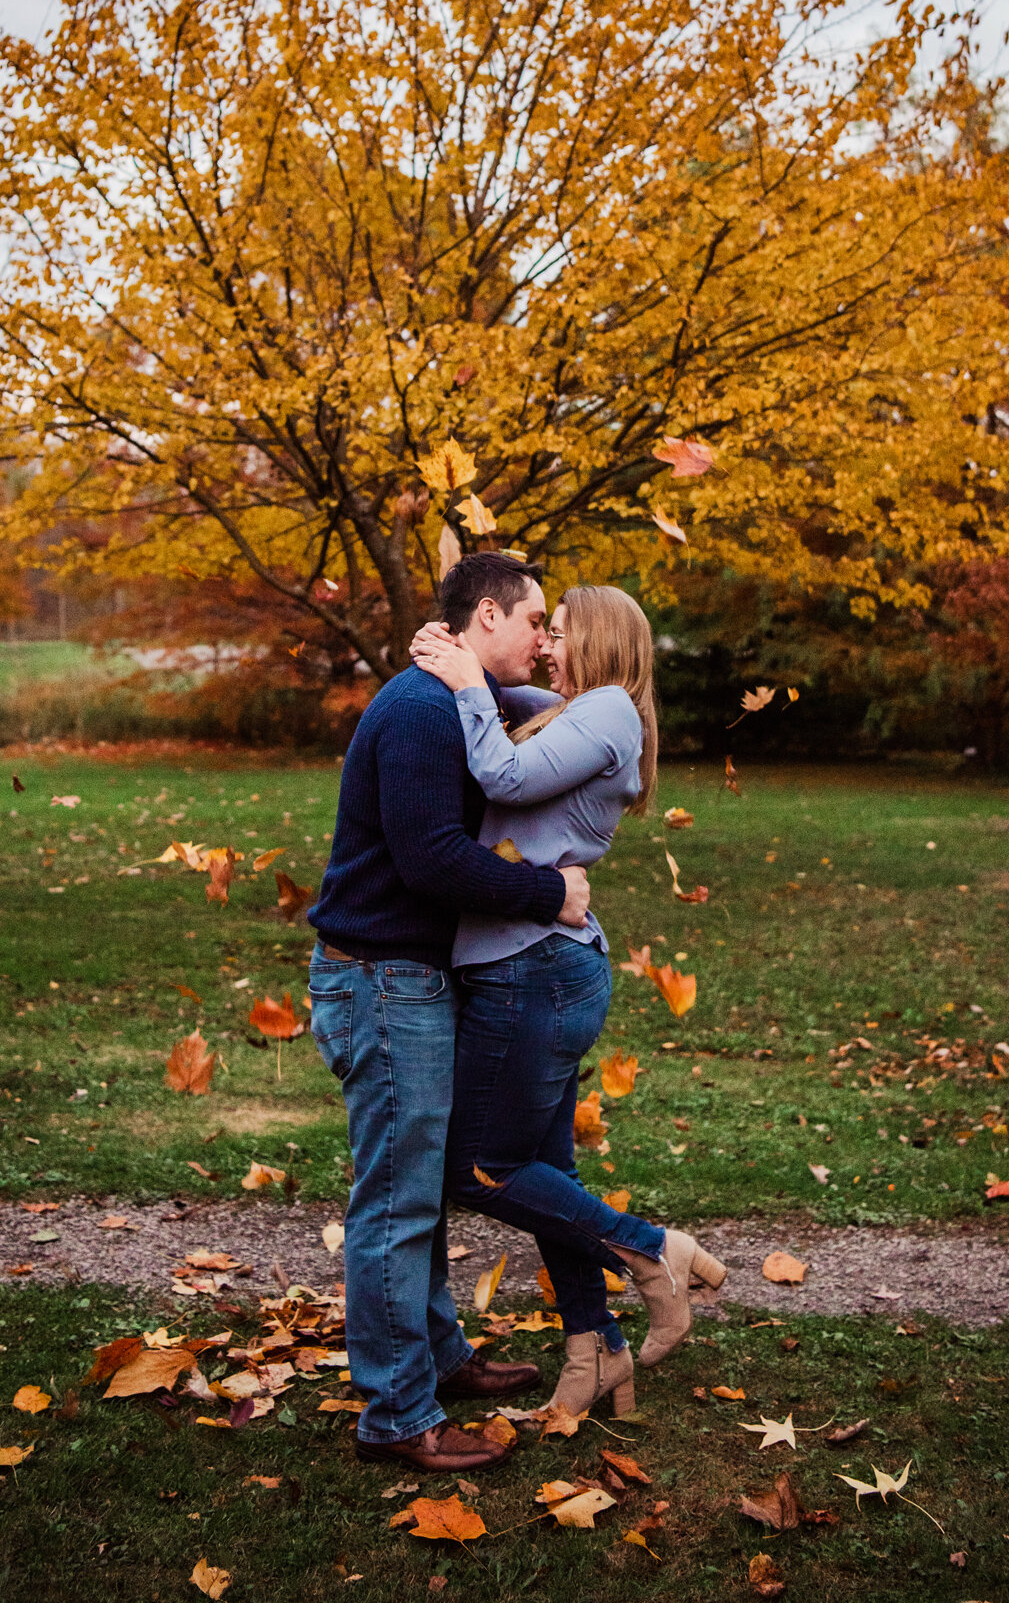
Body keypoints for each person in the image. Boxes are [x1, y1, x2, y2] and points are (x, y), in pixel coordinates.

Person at [306, 552, 593, 1474]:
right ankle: (395, 1417)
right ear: (486, 617)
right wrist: (549, 893)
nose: (544, 638)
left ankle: (437, 1362)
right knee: (396, 1203)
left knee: (418, 1189)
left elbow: (532, 723)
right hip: (381, 982)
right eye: (535, 621)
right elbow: (430, 859)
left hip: (403, 979)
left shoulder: (446, 695)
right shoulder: (424, 710)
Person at [410, 584, 726, 1420]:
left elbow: (501, 773)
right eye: (540, 630)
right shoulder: (578, 709)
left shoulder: (611, 714)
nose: (546, 643)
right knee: (546, 1172)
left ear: (601, 641)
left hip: (534, 972)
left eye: (560, 632)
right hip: (532, 964)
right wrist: (454, 657)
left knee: (479, 1168)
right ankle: (596, 1352)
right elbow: (508, 697)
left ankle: (656, 1252)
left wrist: (470, 686)